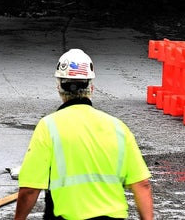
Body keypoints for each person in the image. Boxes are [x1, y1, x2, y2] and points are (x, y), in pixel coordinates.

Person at [13, 49, 153, 220]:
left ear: (59, 88)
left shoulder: (49, 127)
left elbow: (30, 189)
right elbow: (142, 184)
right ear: (91, 88)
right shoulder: (118, 128)